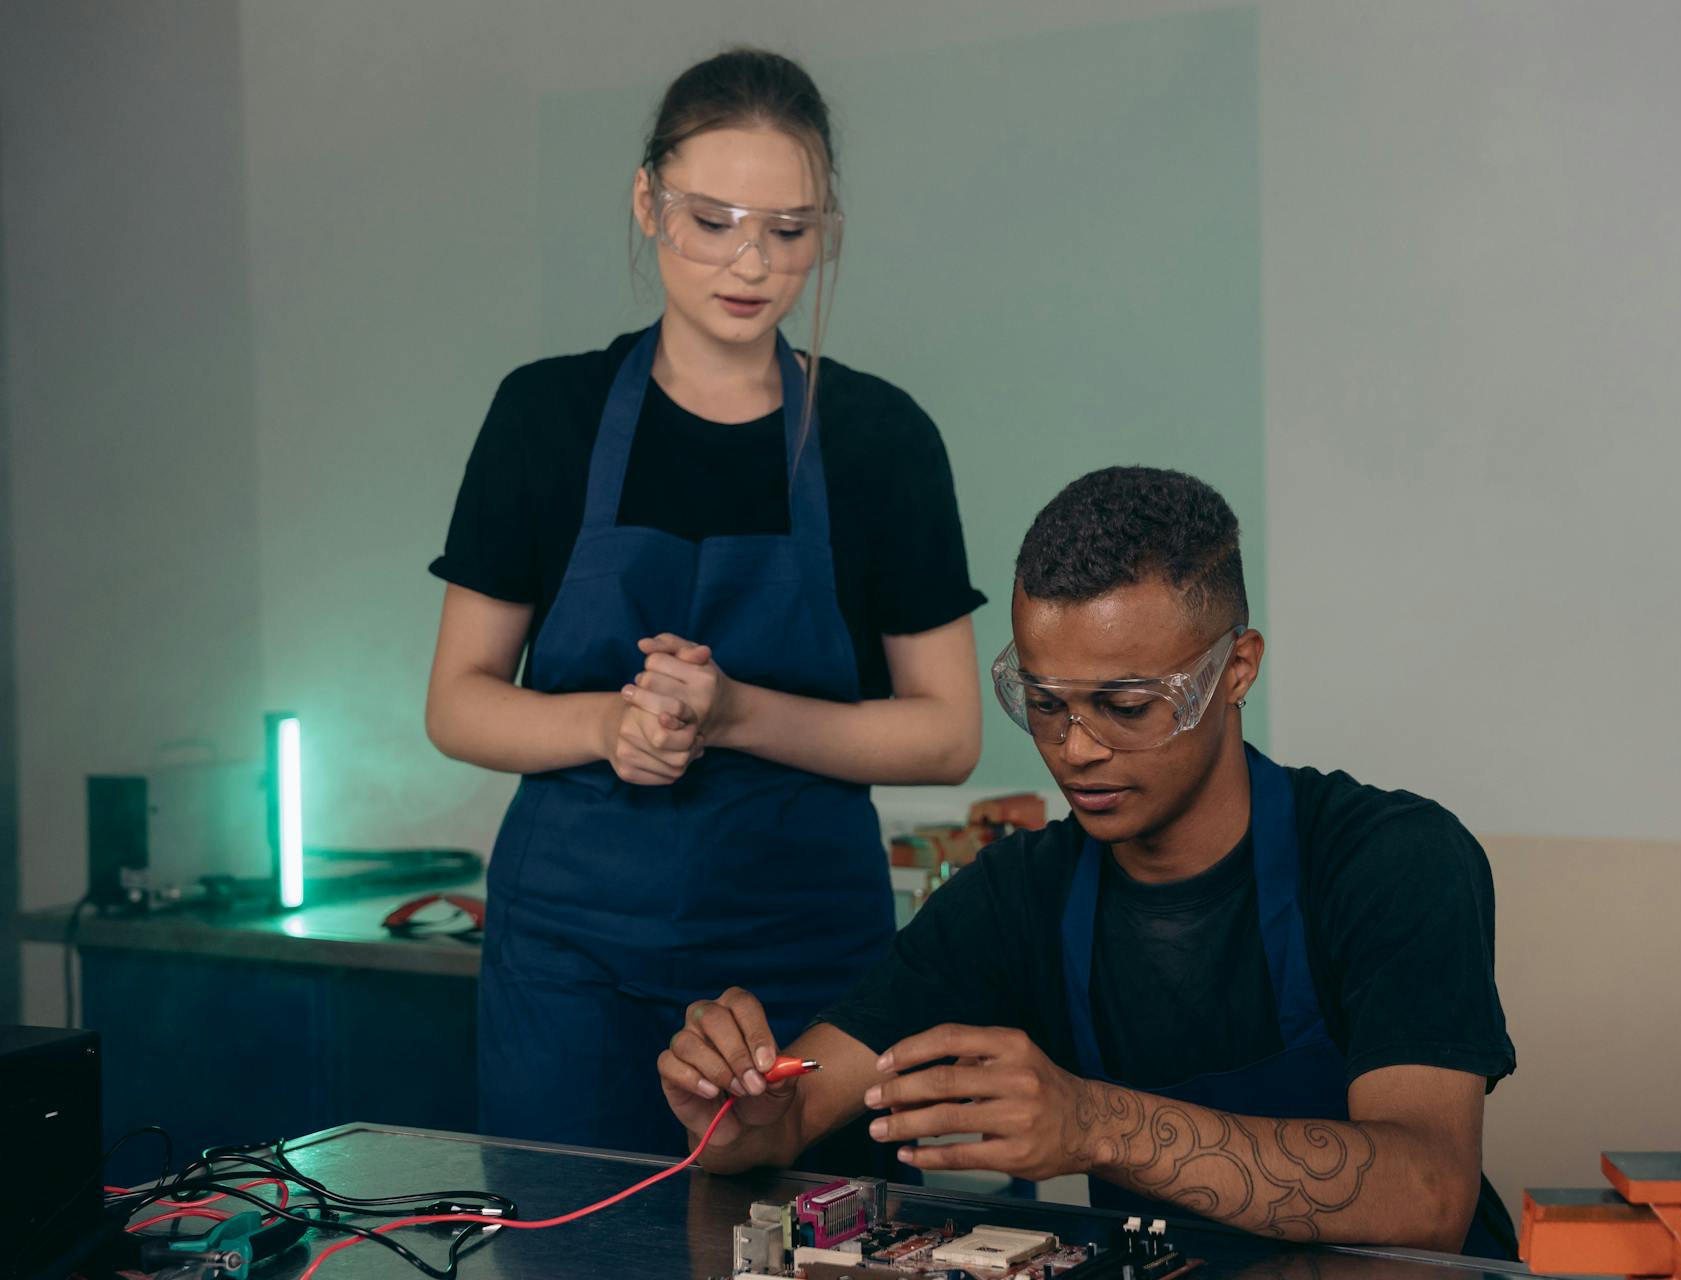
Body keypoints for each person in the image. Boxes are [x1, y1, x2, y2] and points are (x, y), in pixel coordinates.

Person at [655, 467, 1519, 1256]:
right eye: (1043, 702)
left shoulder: (1392, 861)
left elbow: (1428, 1192)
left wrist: (1090, 1122)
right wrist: (737, 1111)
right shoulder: (1017, 898)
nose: (1076, 748)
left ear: (1236, 671)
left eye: (1127, 706)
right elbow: (796, 1105)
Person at [425, 48, 985, 1155]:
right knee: (570, 1244)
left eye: (788, 229)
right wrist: (604, 724)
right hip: (571, 958)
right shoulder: (548, 416)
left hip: (806, 953)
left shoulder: (880, 440)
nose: (752, 261)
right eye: (713, 219)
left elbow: (949, 733)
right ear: (646, 202)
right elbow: (458, 701)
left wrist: (737, 715)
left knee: (814, 1242)